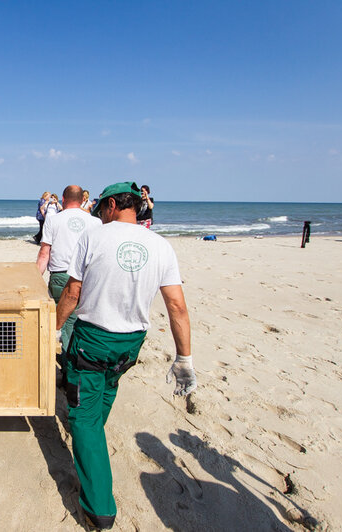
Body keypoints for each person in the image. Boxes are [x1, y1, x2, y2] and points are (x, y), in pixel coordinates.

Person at [55, 181, 196, 530]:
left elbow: (73, 292)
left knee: (83, 418)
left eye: (103, 207)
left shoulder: (94, 237)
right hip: (131, 341)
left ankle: (100, 508)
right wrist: (184, 359)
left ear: (113, 204)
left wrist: (55, 329)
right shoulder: (161, 245)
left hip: (93, 337)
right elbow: (176, 305)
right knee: (107, 386)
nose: (101, 213)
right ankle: (93, 449)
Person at [36, 185, 101, 354]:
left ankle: (68, 365)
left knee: (63, 323)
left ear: (63, 199)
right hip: (90, 277)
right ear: (82, 200)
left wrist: (35, 279)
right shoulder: (95, 222)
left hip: (61, 276)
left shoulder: (53, 220)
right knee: (85, 321)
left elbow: (44, 254)